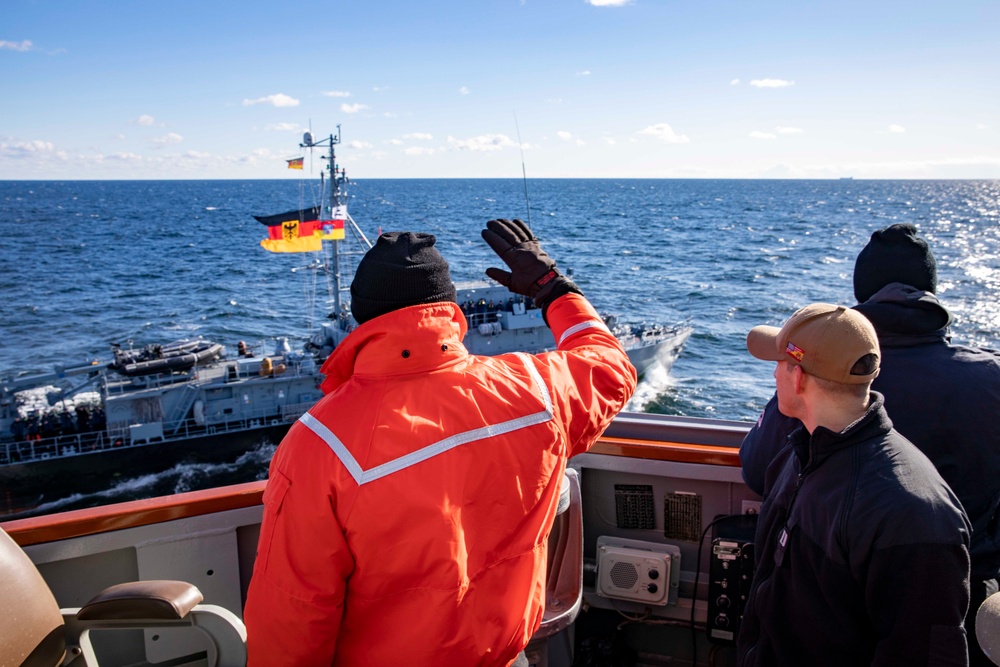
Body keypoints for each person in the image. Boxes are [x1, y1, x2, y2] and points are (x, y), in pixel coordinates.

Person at [243, 220, 638, 666]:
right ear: (449, 308)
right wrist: (551, 288)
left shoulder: (319, 443)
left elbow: (292, 614)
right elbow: (610, 367)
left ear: (363, 317)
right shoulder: (537, 390)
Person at [741, 223, 1000, 666]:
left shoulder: (911, 503)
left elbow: (753, 467)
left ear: (798, 378)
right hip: (974, 607)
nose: (775, 374)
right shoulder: (811, 442)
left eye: (782, 366)